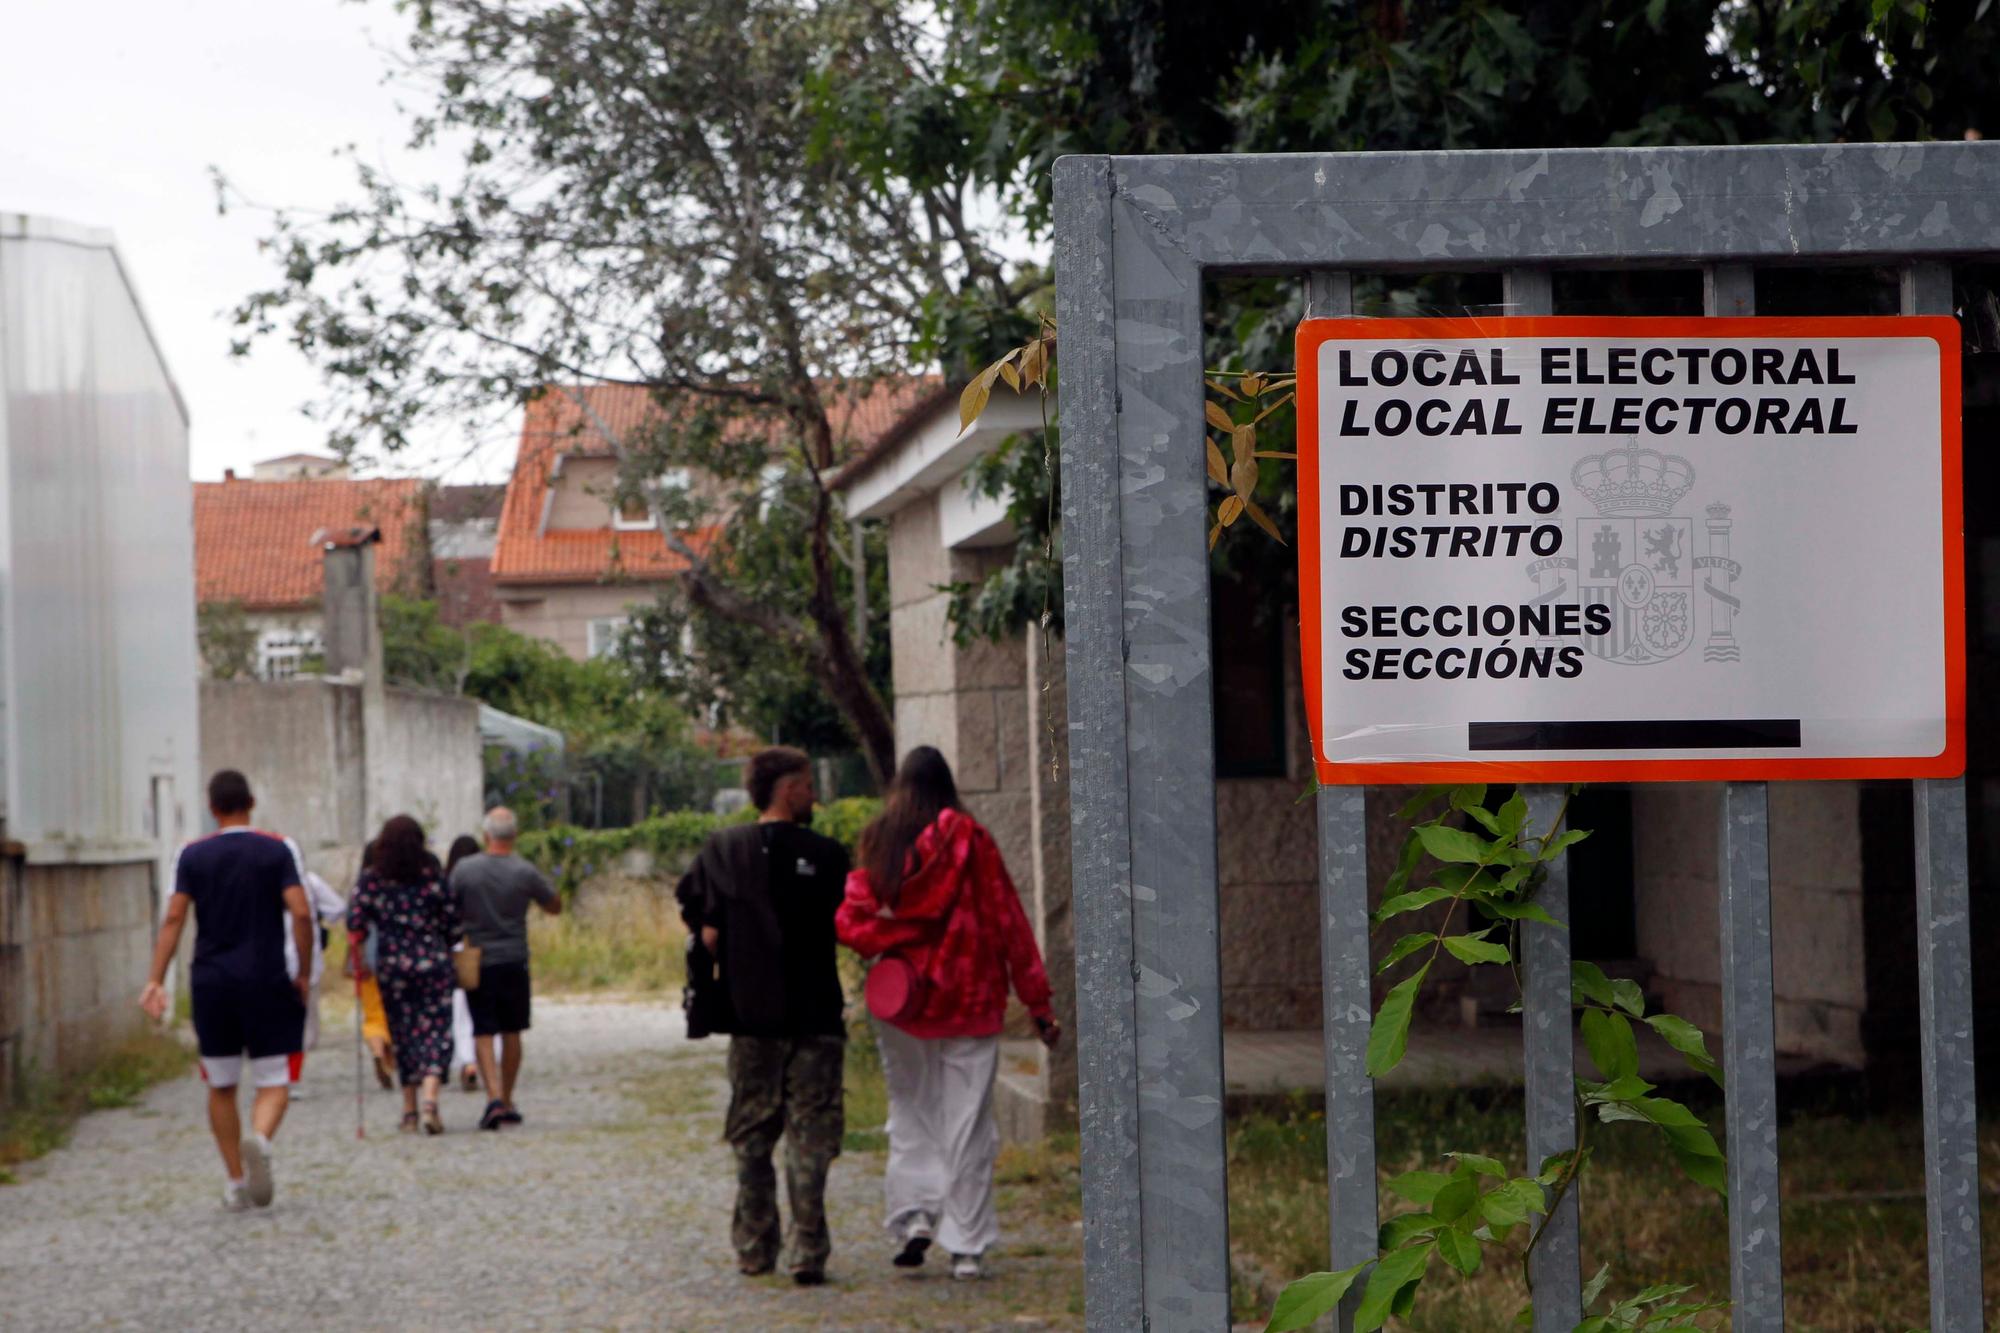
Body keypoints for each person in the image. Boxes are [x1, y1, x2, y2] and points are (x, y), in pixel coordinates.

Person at [835, 746, 1060, 1282]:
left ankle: (913, 1219)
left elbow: (851, 922)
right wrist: (1038, 1002)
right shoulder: (971, 840)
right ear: (947, 786)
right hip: (968, 996)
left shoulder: (878, 839)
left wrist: (900, 933)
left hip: (902, 1002)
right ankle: (966, 1245)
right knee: (966, 1126)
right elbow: (1008, 919)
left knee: (911, 1116)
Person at [676, 747, 849, 1286]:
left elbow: (703, 932)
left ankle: (755, 1246)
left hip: (751, 1016)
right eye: (807, 784)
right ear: (787, 787)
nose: (814, 795)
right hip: (817, 1013)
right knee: (810, 1136)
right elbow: (852, 922)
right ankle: (808, 1252)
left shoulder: (722, 851)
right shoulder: (828, 854)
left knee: (751, 1137)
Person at [138, 769, 313, 1211]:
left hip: (212, 982)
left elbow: (175, 918)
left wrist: (156, 978)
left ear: (212, 808)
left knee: (220, 1085)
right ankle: (261, 1140)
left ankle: (236, 1180)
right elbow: (301, 911)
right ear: (251, 803)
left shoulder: (191, 855)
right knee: (275, 1079)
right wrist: (304, 970)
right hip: (267, 978)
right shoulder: (279, 849)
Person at [450, 807, 561, 1131]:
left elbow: (448, 906)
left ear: (486, 835)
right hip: (514, 957)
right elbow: (554, 905)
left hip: (478, 958)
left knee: (483, 1030)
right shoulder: (524, 871)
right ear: (514, 836)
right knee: (513, 1029)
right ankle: (508, 1098)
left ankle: (493, 1098)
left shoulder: (464, 870)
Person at [348, 815, 460, 1134]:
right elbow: (453, 923)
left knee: (403, 1035)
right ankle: (430, 1102)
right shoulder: (433, 877)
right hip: (432, 964)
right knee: (437, 1031)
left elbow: (355, 921)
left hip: (393, 967)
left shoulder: (372, 879)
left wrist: (360, 952)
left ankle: (409, 1110)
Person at [286, 866, 347, 1098]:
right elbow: (338, 907)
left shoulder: (255, 877)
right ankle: (291, 1076)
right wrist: (318, 916)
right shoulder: (309, 881)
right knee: (304, 1025)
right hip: (303, 961)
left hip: (265, 961)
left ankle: (274, 1074)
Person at [444, 834, 484, 1094]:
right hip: (482, 948)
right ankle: (481, 1062)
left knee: (459, 1012)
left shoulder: (448, 882)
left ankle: (466, 1061)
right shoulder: (483, 880)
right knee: (482, 1010)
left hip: (455, 950)